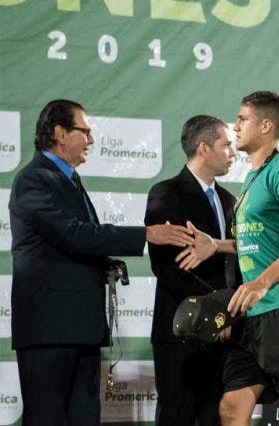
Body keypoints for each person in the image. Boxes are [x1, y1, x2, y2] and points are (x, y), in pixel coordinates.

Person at [8, 99, 194, 425]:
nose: (92, 140)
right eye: (85, 131)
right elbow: (73, 234)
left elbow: (72, 244)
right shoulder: (34, 179)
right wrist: (146, 235)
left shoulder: (69, 180)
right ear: (60, 133)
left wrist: (105, 264)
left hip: (81, 328)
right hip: (49, 331)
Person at [184, 92, 279, 425]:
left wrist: (261, 283)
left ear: (266, 125)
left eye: (242, 119)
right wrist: (217, 245)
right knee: (232, 408)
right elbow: (261, 241)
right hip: (253, 314)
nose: (235, 126)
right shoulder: (252, 178)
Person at [145, 115, 237, 426]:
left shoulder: (230, 201)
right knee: (177, 417)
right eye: (226, 145)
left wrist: (228, 314)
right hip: (180, 334)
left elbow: (236, 265)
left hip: (225, 337)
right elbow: (168, 267)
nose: (233, 152)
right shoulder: (166, 193)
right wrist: (217, 310)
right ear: (203, 148)